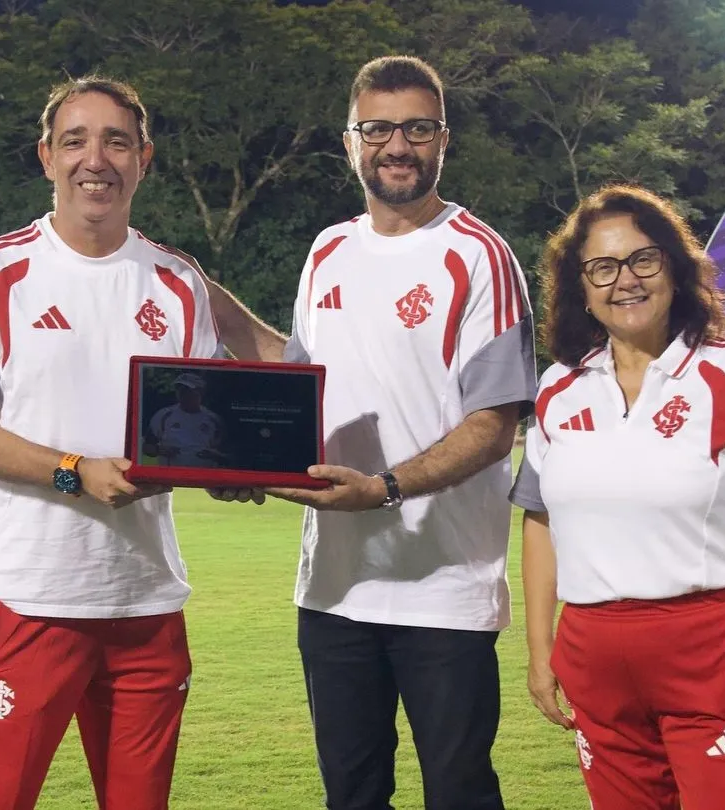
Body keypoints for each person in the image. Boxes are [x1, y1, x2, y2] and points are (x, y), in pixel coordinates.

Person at [208, 56, 533, 810]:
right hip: (334, 587)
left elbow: (493, 425)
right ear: (349, 141)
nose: (398, 145)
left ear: (443, 139)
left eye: (417, 128)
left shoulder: (479, 255)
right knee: (351, 797)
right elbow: (300, 381)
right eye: (378, 128)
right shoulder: (328, 250)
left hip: (442, 587)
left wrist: (384, 489)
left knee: (458, 794)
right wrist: (211, 304)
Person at [0, 76, 220, 809]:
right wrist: (75, 471)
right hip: (27, 594)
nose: (97, 158)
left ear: (144, 158)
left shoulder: (177, 282)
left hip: (144, 599)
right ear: (46, 157)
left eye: (116, 141)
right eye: (76, 140)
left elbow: (200, 430)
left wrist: (230, 468)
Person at [510, 184, 725, 810]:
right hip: (593, 655)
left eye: (642, 260)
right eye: (602, 267)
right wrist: (540, 651)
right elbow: (540, 522)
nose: (624, 280)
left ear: (675, 270)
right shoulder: (557, 389)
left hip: (708, 648)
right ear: (579, 286)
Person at [144, 373, 226, 468]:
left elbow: (228, 455)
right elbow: (147, 447)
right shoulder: (163, 415)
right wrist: (159, 450)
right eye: (178, 388)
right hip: (170, 477)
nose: (181, 392)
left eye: (187, 389)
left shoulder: (214, 420)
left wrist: (215, 456)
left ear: (200, 392)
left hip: (203, 478)